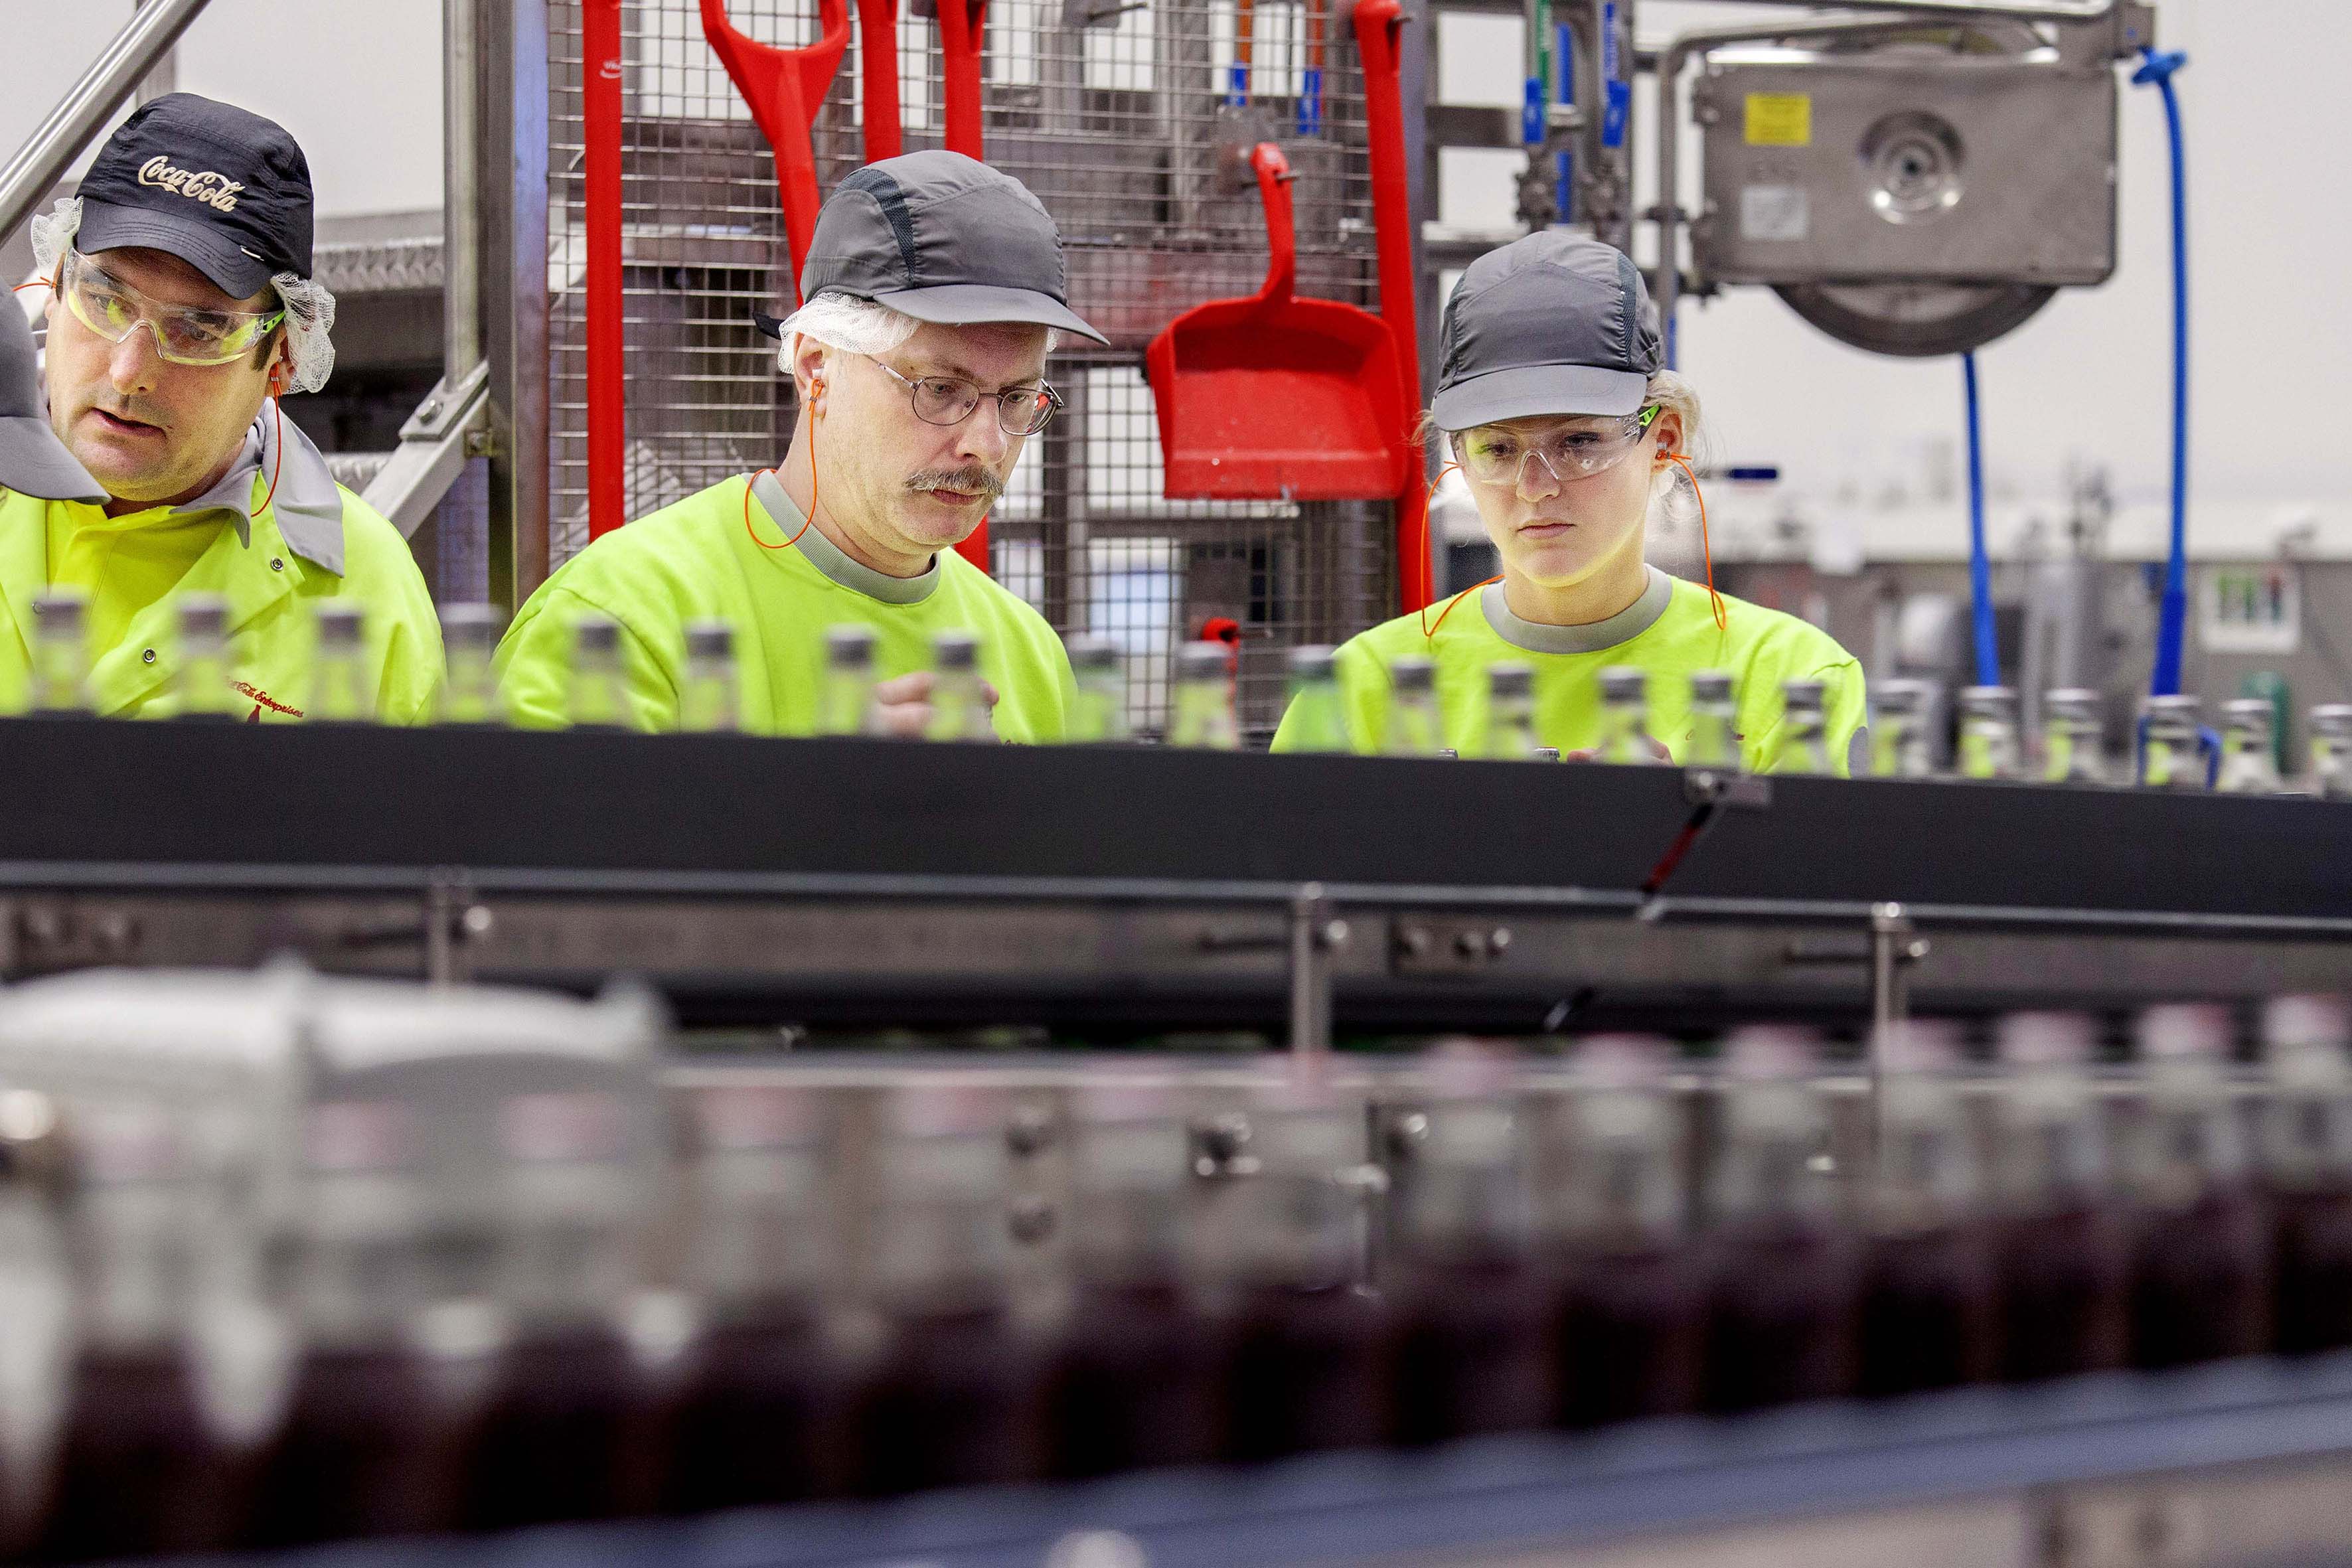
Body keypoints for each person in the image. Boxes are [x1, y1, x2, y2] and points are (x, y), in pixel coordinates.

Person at [495, 151, 1104, 738]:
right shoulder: (616, 621)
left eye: (1016, 398)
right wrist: (817, 796)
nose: (987, 444)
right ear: (817, 368)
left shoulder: (1031, 656)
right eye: (941, 389)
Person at [1271, 231, 1867, 772]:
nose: (1536, 486)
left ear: (1663, 440)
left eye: (1578, 442)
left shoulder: (1791, 681)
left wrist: (1684, 834)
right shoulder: (1361, 691)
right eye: (1497, 449)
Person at [5, 94, 443, 723]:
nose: (129, 373)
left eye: (198, 330)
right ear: (53, 288)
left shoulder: (366, 596)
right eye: (105, 301)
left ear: (281, 359)